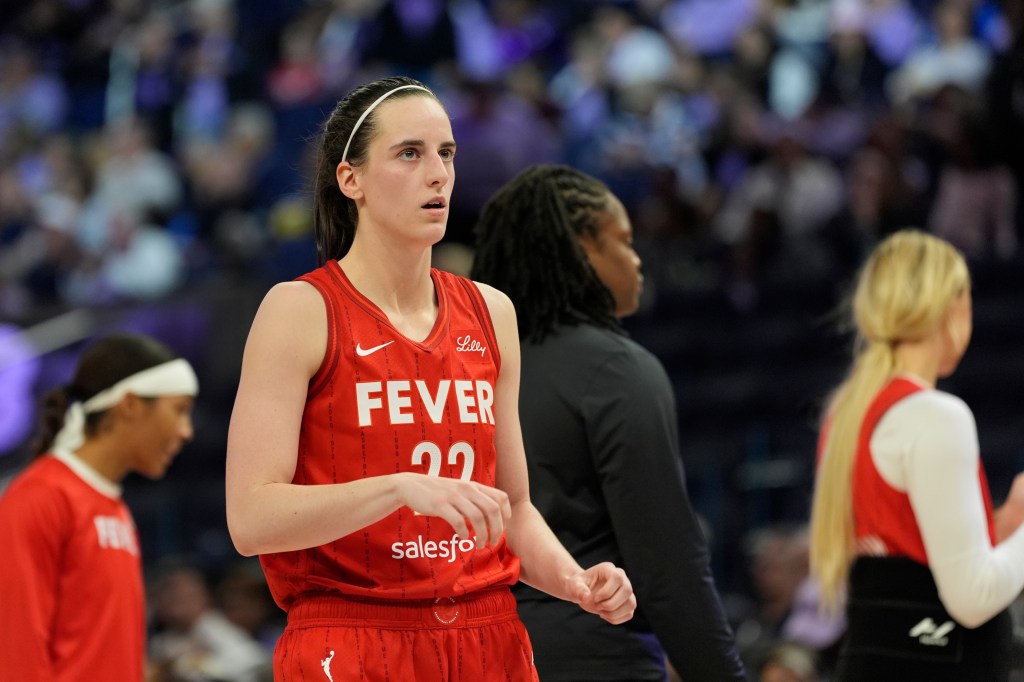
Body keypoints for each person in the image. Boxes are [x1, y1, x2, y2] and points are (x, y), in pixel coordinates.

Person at [224, 75, 636, 681]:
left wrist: (574, 581)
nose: (439, 173)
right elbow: (251, 518)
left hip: (488, 636)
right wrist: (398, 489)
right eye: (409, 154)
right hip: (353, 634)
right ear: (351, 179)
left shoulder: (492, 312)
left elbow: (513, 509)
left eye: (445, 153)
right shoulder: (299, 311)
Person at [470, 164, 745, 681]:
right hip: (596, 655)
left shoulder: (466, 369)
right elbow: (668, 566)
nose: (637, 260)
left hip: (475, 652)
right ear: (581, 249)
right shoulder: (616, 369)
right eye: (623, 240)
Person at [808, 229, 1024, 681]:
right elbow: (972, 597)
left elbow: (907, 551)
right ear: (951, 307)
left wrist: (1007, 527)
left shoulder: (848, 412)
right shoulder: (935, 415)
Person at [0, 332, 199, 681]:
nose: (186, 432)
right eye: (179, 410)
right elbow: (15, 653)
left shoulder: (112, 506)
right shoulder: (40, 497)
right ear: (130, 405)